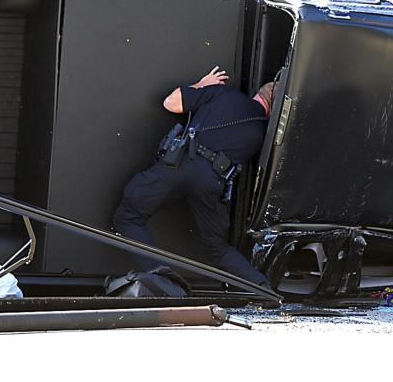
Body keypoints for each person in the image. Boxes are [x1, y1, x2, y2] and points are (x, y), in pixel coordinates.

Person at [112, 66, 275, 286]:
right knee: (217, 249)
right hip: (210, 182)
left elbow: (170, 103)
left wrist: (201, 84)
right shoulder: (261, 133)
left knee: (127, 216)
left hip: (179, 163)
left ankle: (160, 278)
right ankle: (263, 288)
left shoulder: (224, 94)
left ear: (258, 94)